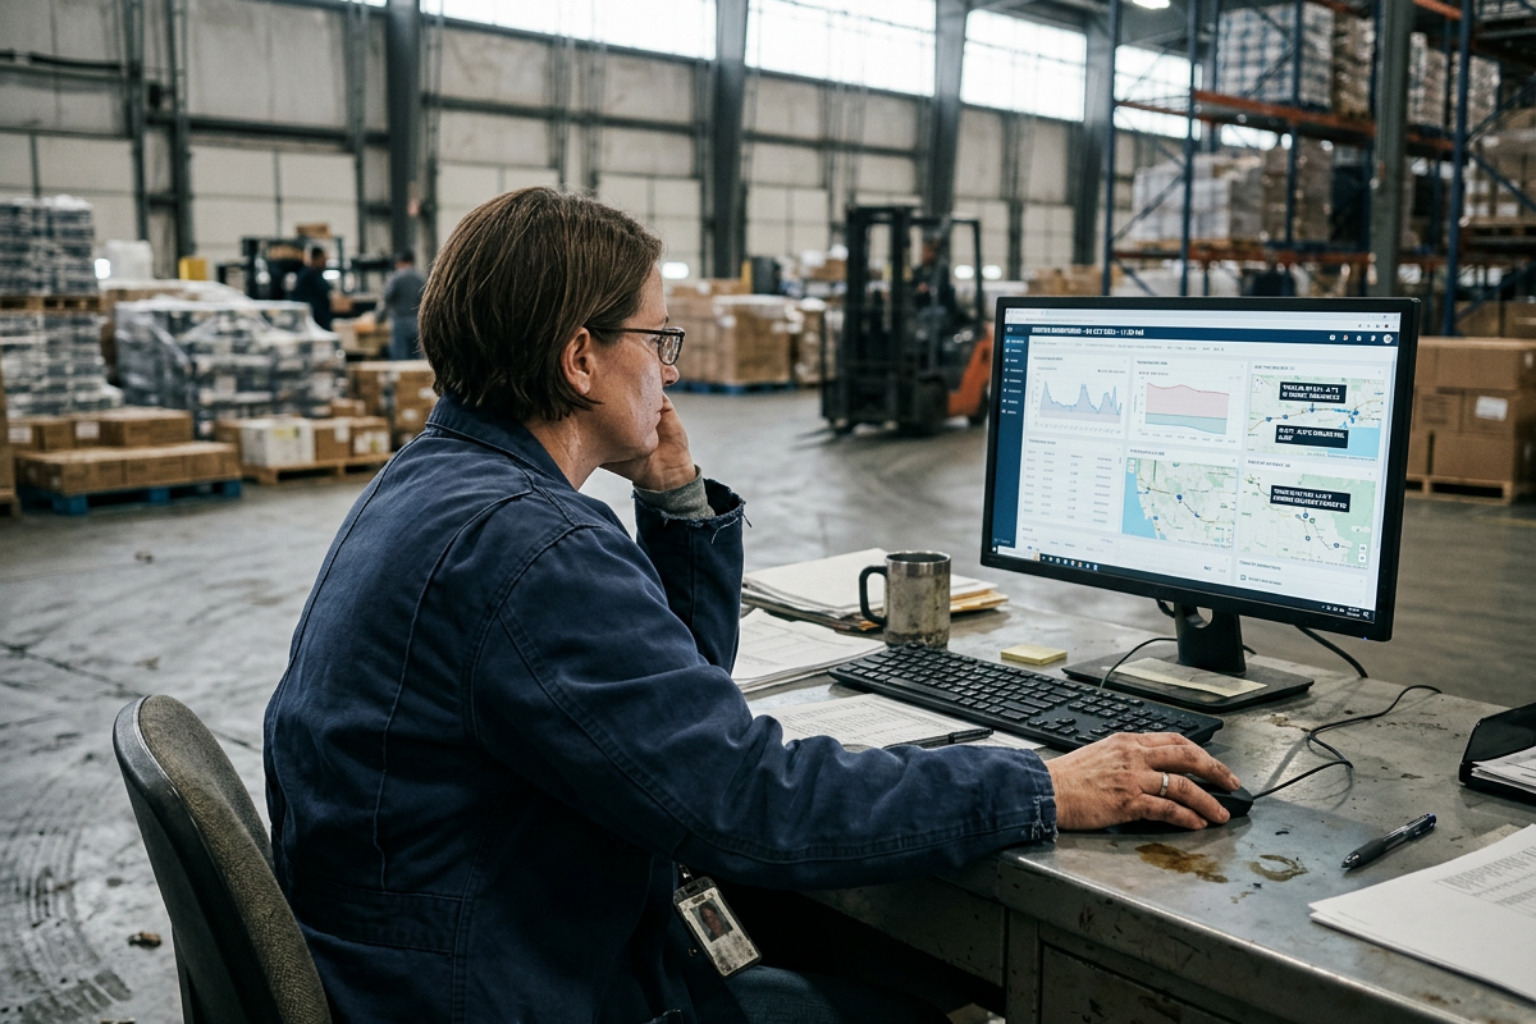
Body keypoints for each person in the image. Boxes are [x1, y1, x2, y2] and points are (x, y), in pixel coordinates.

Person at [264, 187, 1240, 1024]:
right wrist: (1040, 787)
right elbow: (743, 802)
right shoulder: (533, 547)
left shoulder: (432, 484)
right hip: (512, 989)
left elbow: (654, 718)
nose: (673, 367)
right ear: (579, 358)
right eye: (656, 337)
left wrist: (675, 496)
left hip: (442, 964)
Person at [381, 249, 427, 360]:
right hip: (416, 321)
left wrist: (378, 318)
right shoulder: (421, 278)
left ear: (401, 262)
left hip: (400, 321)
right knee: (415, 354)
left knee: (399, 355)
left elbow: (387, 298)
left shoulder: (395, 278)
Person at [290, 244, 334, 330]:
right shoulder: (307, 275)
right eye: (324, 258)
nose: (326, 261)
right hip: (313, 318)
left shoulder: (315, 274)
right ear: (317, 258)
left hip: (319, 317)